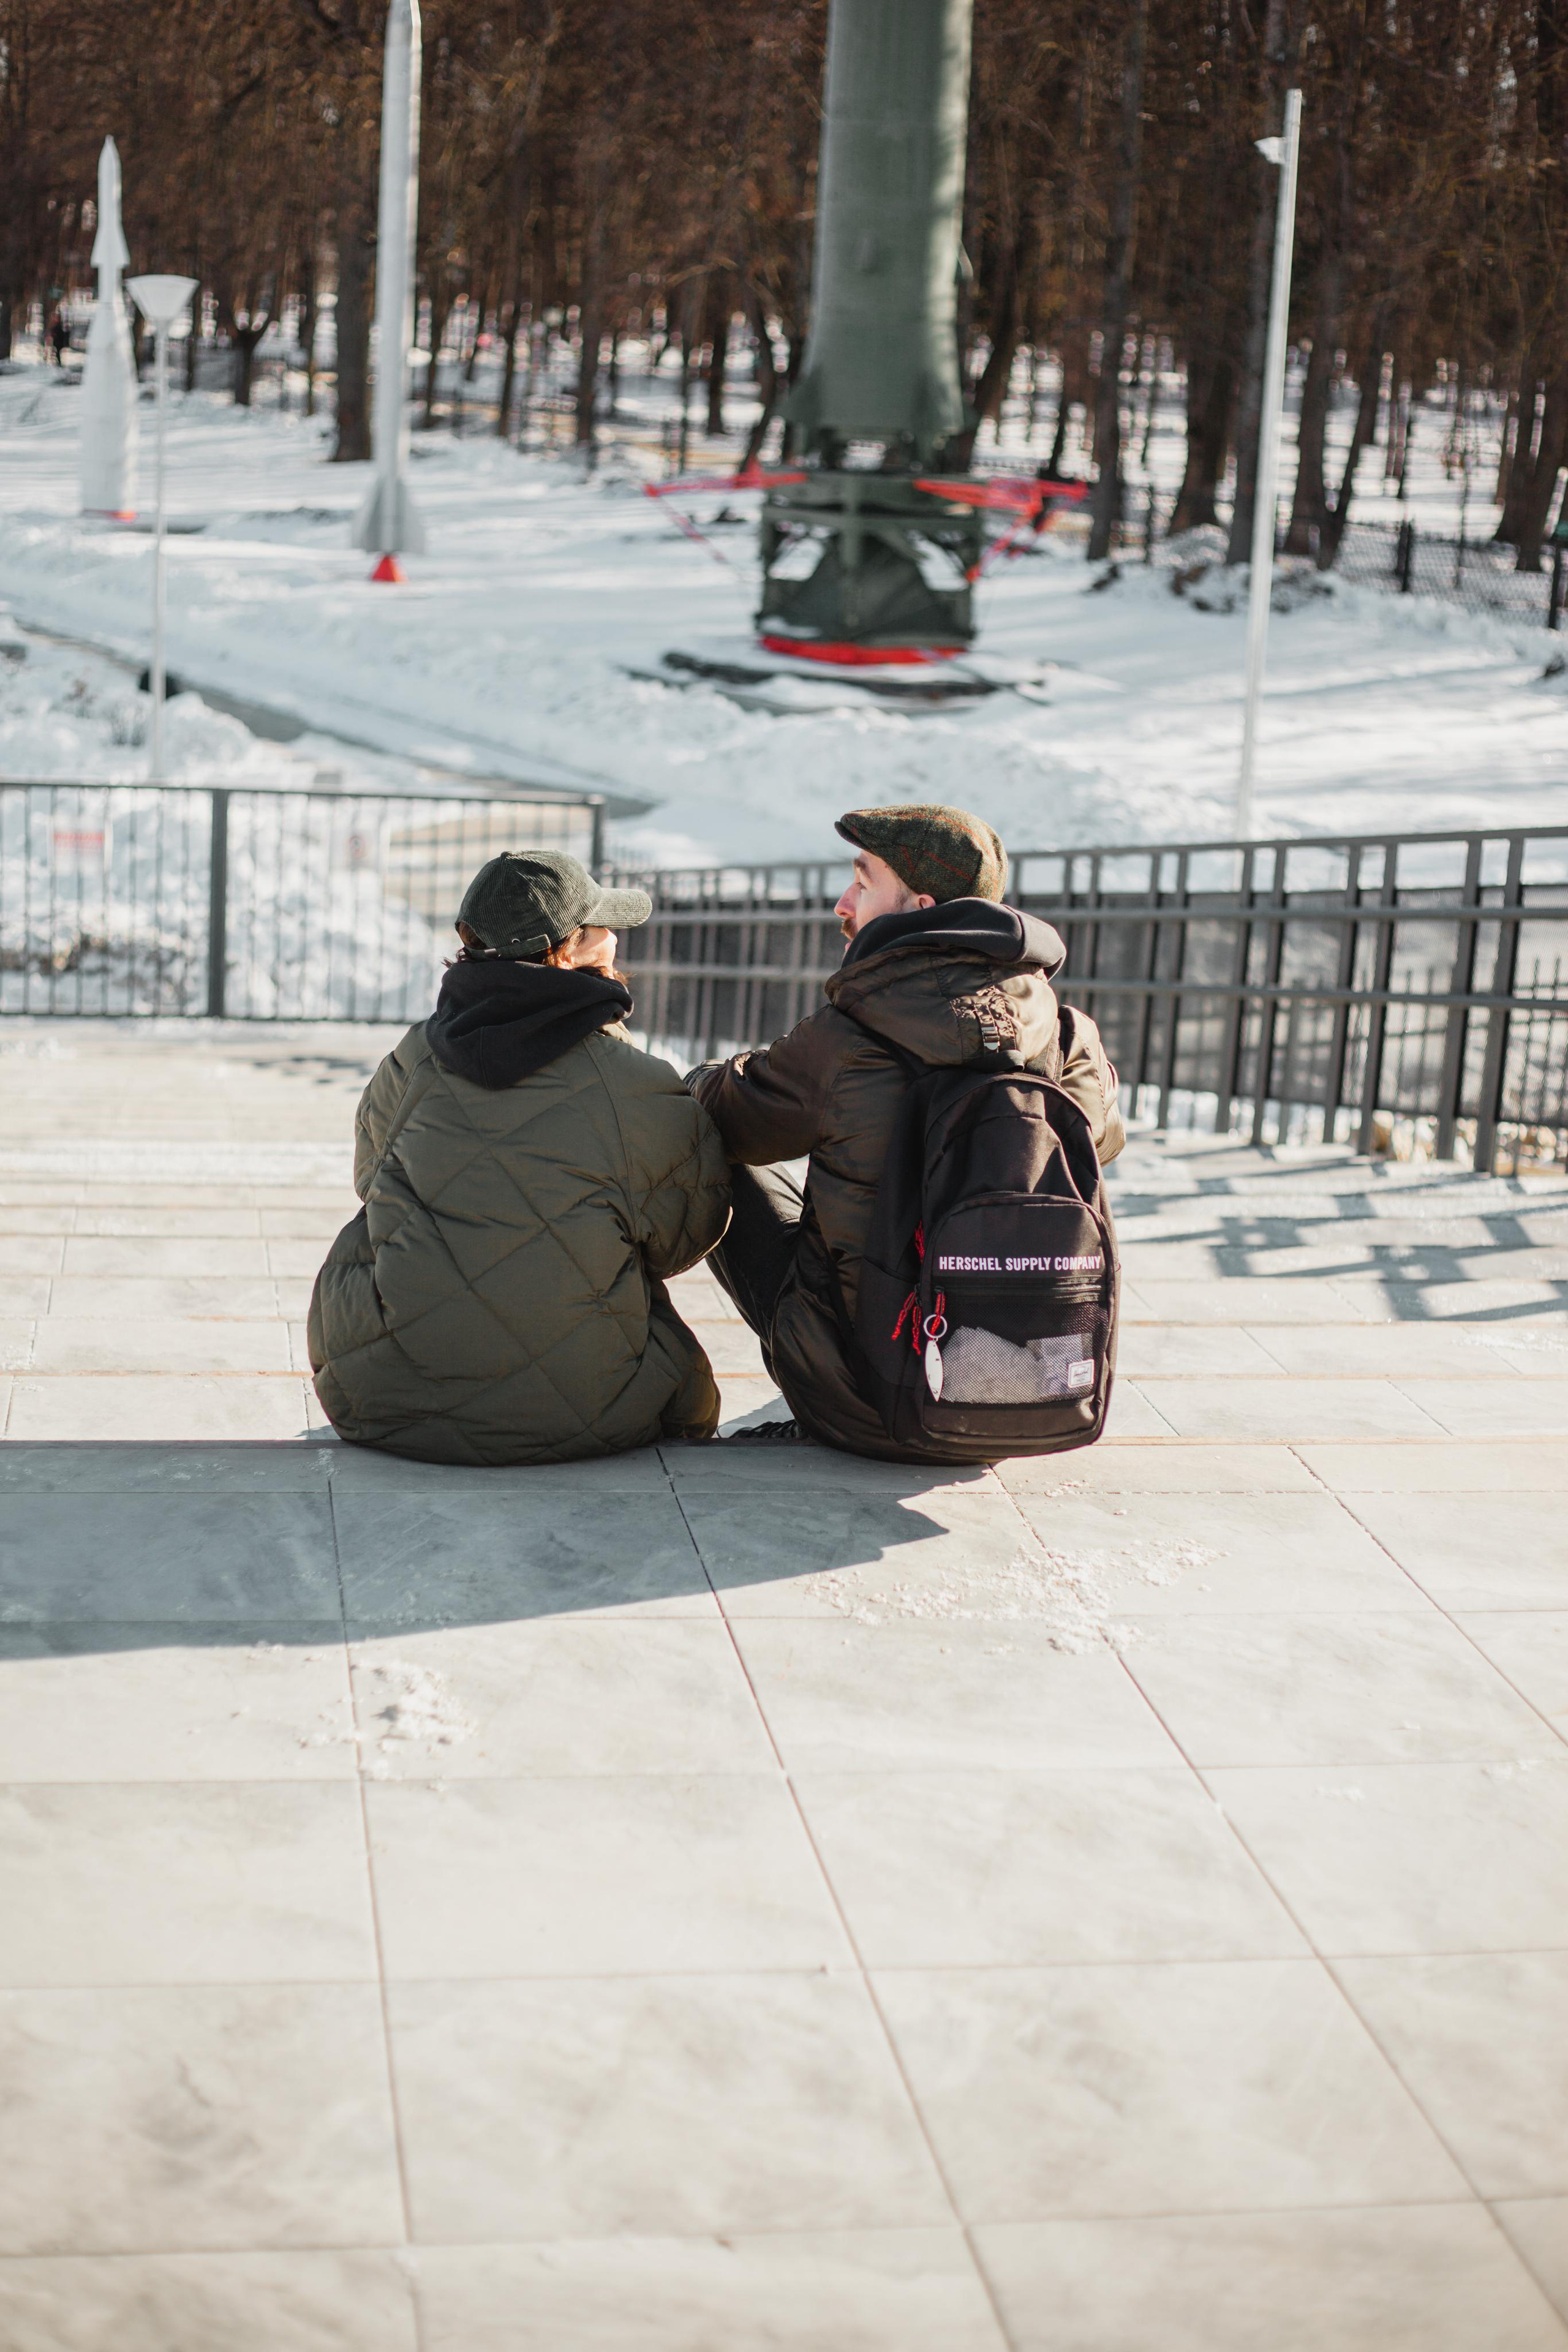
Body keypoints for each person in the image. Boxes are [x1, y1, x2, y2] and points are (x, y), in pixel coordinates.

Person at [689, 803, 1125, 1461]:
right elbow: (1102, 1142)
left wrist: (704, 1079)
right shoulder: (1066, 1033)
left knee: (719, 1147)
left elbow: (733, 1117)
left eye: (862, 883)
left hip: (860, 1407)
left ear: (918, 907)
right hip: (1038, 1399)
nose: (843, 903)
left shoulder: (850, 1034)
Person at [309, 849, 730, 1465]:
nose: (615, 939)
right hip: (587, 1411)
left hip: (380, 1397)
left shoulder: (414, 1058)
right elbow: (681, 1240)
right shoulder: (637, 1084)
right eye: (603, 928)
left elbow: (370, 1180)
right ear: (566, 952)